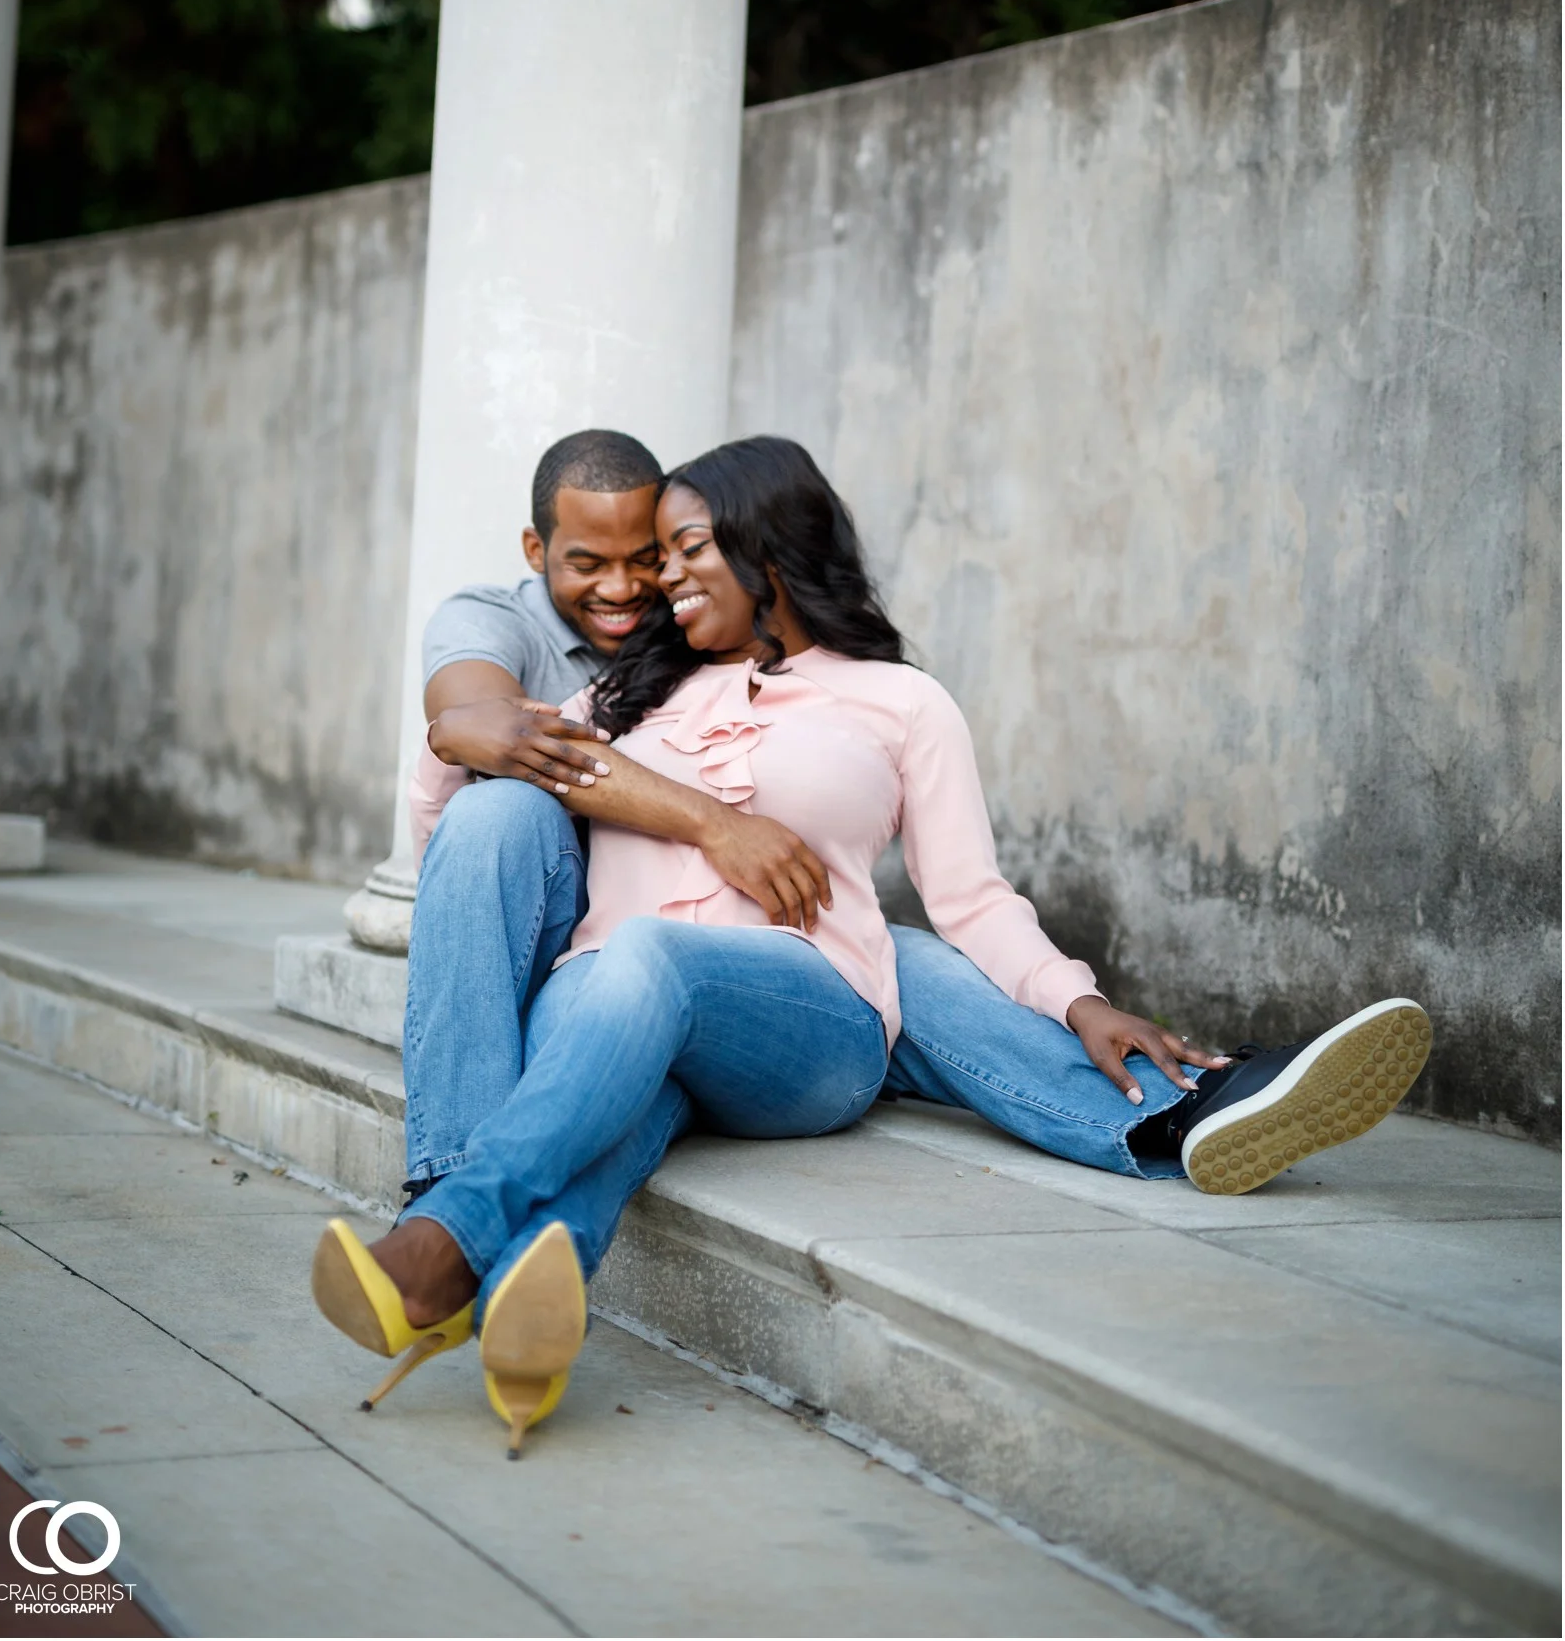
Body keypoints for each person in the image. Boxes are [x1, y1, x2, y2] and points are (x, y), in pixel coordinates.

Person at [313, 439, 1432, 1454]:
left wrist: (1075, 997)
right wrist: (464, 745)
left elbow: (970, 897)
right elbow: (455, 810)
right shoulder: (620, 696)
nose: (659, 578)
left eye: (684, 548)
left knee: (654, 958)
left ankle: (445, 1234)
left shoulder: (903, 703)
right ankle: (520, 1321)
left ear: (769, 551)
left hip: (800, 1021)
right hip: (610, 1012)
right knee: (619, 1022)